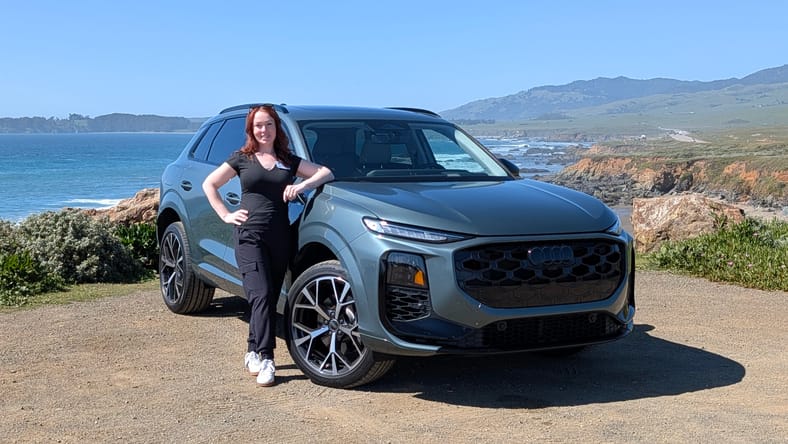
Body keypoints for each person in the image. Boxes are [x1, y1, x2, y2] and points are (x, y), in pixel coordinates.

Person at [202, 105, 334, 387]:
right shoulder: (242, 158)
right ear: (251, 129)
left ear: (277, 128)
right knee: (260, 295)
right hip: (249, 236)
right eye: (258, 125)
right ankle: (266, 358)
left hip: (279, 237)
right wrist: (226, 214)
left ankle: (252, 348)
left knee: (269, 297)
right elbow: (209, 184)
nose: (264, 130)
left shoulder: (288, 159)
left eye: (269, 125)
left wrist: (300, 186)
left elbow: (326, 172)